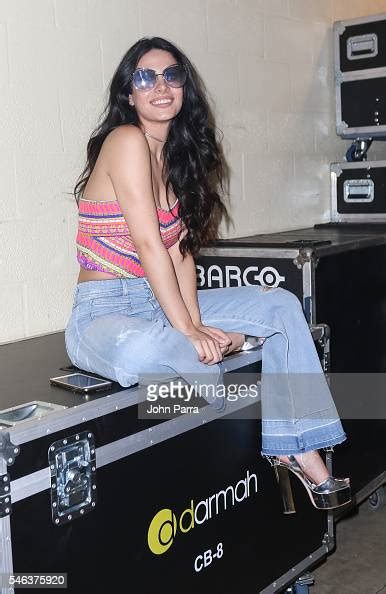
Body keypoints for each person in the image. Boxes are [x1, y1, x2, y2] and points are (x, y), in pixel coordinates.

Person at [65, 36, 350, 512]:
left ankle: (299, 448)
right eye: (145, 77)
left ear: (184, 88)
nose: (161, 86)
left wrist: (194, 322)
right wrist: (190, 331)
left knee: (280, 306)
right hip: (105, 316)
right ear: (128, 93)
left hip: (163, 304)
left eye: (171, 75)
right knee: (177, 352)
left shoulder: (169, 158)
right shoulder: (126, 140)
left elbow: (180, 256)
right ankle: (233, 350)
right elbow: (148, 245)